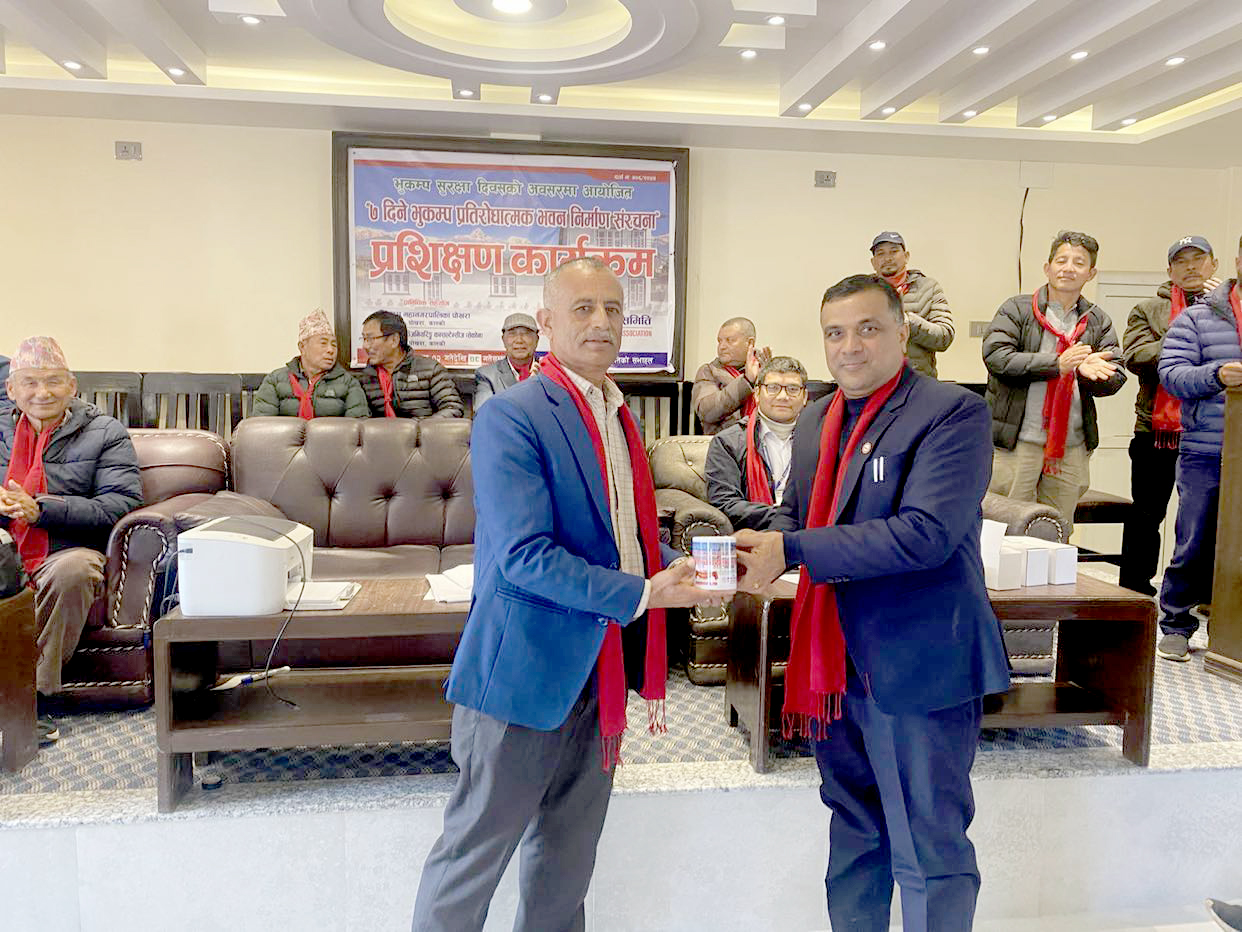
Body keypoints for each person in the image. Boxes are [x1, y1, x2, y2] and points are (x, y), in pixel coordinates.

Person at [410, 257, 723, 932]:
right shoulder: (512, 414)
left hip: (599, 672)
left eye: (613, 309)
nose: (602, 322)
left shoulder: (619, 414)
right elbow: (524, 556)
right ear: (547, 321)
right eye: (583, 308)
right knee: (472, 862)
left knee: (566, 865)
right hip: (523, 675)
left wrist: (683, 568)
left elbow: (622, 536)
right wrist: (644, 592)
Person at [732, 275, 1010, 932]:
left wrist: (792, 549)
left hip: (919, 664)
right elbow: (799, 516)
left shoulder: (952, 412)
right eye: (835, 333)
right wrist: (747, 552)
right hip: (834, 668)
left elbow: (927, 534)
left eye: (868, 329)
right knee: (855, 832)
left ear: (902, 333)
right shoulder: (814, 419)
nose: (849, 346)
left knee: (928, 845)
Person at [1, 337, 142, 744]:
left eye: (53, 381)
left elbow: (121, 504)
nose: (42, 392)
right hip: (6, 549)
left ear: (72, 385)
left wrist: (42, 510)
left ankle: (31, 699)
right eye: (30, 382)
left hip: (66, 549)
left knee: (73, 571)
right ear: (11, 389)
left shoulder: (105, 431)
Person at [983, 230, 1126, 536]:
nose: (1068, 268)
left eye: (1078, 263)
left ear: (1091, 273)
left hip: (1070, 445)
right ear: (1047, 268)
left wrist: (1089, 373)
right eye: (1061, 261)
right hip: (1018, 442)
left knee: (1057, 531)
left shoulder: (1097, 320)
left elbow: (1116, 373)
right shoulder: (1017, 309)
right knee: (1004, 528)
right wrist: (1057, 365)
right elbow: (996, 357)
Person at [1152, 237, 1242, 662]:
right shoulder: (1197, 318)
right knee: (1194, 540)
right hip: (1206, 450)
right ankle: (1176, 624)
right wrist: (1216, 374)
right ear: (1237, 261)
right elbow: (1172, 374)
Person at [1119, 236, 1220, 595]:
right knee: (1147, 513)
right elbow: (1136, 357)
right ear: (1170, 270)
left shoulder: (1231, 307)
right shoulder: (1148, 309)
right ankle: (1134, 591)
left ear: (1214, 265)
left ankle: (1205, 593)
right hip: (1155, 429)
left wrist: (1218, 309)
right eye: (1181, 261)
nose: (1190, 267)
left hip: (1212, 430)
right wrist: (1189, 328)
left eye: (1198, 259)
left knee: (1209, 515)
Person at [705, 355, 808, 530]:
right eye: (773, 388)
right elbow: (725, 504)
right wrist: (786, 516)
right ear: (757, 393)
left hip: (809, 534)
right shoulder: (727, 443)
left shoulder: (821, 440)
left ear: (804, 396)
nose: (783, 396)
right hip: (754, 533)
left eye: (792, 389)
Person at [252, 309, 369, 418]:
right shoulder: (275, 380)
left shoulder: (348, 383)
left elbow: (357, 425)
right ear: (302, 347)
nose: (330, 350)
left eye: (334, 345)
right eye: (323, 343)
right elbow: (263, 425)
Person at [868, 231, 955, 378]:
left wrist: (908, 321)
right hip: (873, 381)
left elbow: (944, 337)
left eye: (894, 251)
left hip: (917, 381)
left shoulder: (929, 288)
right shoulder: (862, 291)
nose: (887, 258)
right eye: (881, 254)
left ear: (906, 256)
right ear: (873, 262)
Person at [358, 310, 464, 419]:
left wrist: (421, 427)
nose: (365, 346)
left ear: (394, 340)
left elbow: (453, 407)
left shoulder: (430, 370)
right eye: (364, 339)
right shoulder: (366, 378)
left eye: (370, 339)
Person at [692, 317, 771, 434]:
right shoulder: (709, 371)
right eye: (720, 341)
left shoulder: (766, 368)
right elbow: (707, 412)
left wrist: (769, 376)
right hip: (724, 442)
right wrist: (746, 382)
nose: (722, 346)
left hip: (764, 439)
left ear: (750, 343)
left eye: (730, 340)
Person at [473, 312, 540, 410]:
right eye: (512, 334)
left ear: (537, 339)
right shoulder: (487, 375)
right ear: (503, 339)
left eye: (526, 334)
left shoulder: (549, 372)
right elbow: (484, 412)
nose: (519, 340)